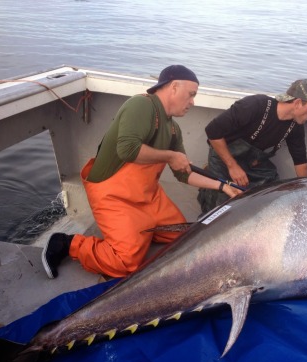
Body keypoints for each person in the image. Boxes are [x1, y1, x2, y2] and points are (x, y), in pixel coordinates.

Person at [42, 65, 241, 279]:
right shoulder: (141, 105)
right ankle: (68, 243)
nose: (193, 102)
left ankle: (143, 232)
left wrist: (223, 186)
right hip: (115, 198)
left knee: (185, 239)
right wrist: (170, 156)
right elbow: (127, 149)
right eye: (191, 95)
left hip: (149, 197)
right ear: (173, 87)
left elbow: (183, 174)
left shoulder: (174, 129)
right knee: (124, 264)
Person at [197, 78, 307, 214]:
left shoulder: (295, 126)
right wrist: (232, 166)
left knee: (272, 191)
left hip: (253, 165)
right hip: (224, 160)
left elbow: (300, 162)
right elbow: (212, 131)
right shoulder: (255, 105)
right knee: (221, 205)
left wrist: (301, 192)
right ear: (297, 103)